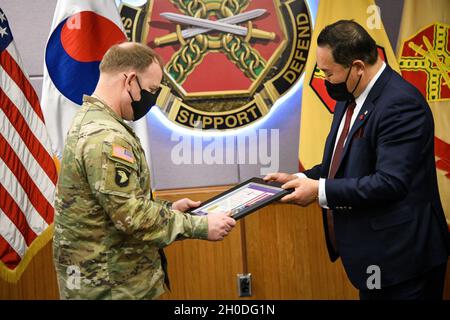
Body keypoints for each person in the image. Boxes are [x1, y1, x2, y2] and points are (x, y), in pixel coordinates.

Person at [265, 20, 450, 300]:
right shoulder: (349, 95)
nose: (325, 80)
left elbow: (390, 183)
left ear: (358, 67)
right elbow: (342, 162)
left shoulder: (400, 105)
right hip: (373, 258)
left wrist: (320, 191)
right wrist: (302, 178)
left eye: (328, 73)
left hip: (403, 261)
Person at [53, 42, 236, 300]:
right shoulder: (107, 137)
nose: (151, 100)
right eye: (151, 90)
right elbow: (132, 216)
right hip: (111, 288)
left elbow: (115, 204)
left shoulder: (93, 121)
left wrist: (167, 211)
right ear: (129, 80)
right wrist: (200, 225)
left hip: (110, 281)